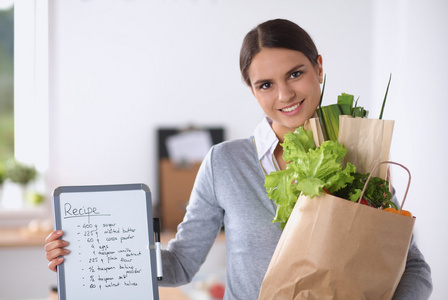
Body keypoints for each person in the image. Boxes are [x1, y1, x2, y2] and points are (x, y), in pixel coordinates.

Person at [44, 19, 432, 299]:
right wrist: (89, 253)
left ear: (318, 66)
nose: (284, 94)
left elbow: (413, 267)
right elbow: (180, 265)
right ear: (252, 90)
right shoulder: (225, 164)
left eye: (295, 73)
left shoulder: (358, 155)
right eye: (265, 84)